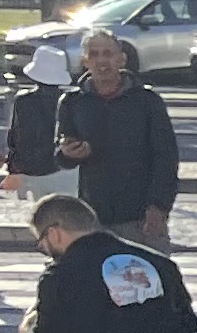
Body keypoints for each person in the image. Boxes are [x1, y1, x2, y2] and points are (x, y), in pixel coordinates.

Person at [17, 193, 196, 333]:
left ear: (54, 234)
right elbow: (188, 326)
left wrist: (27, 326)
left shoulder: (61, 276)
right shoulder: (159, 262)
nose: (44, 248)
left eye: (41, 242)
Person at [52, 30, 181, 243]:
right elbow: (61, 154)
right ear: (85, 61)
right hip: (93, 215)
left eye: (108, 53)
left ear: (121, 59)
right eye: (94, 54)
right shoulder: (72, 102)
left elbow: (166, 157)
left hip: (140, 216)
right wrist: (69, 153)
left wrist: (159, 206)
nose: (101, 61)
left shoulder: (147, 101)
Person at [1, 43, 74, 212]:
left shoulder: (23, 101)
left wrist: (13, 168)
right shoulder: (71, 100)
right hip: (65, 168)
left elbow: (17, 138)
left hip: (35, 170)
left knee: (43, 215)